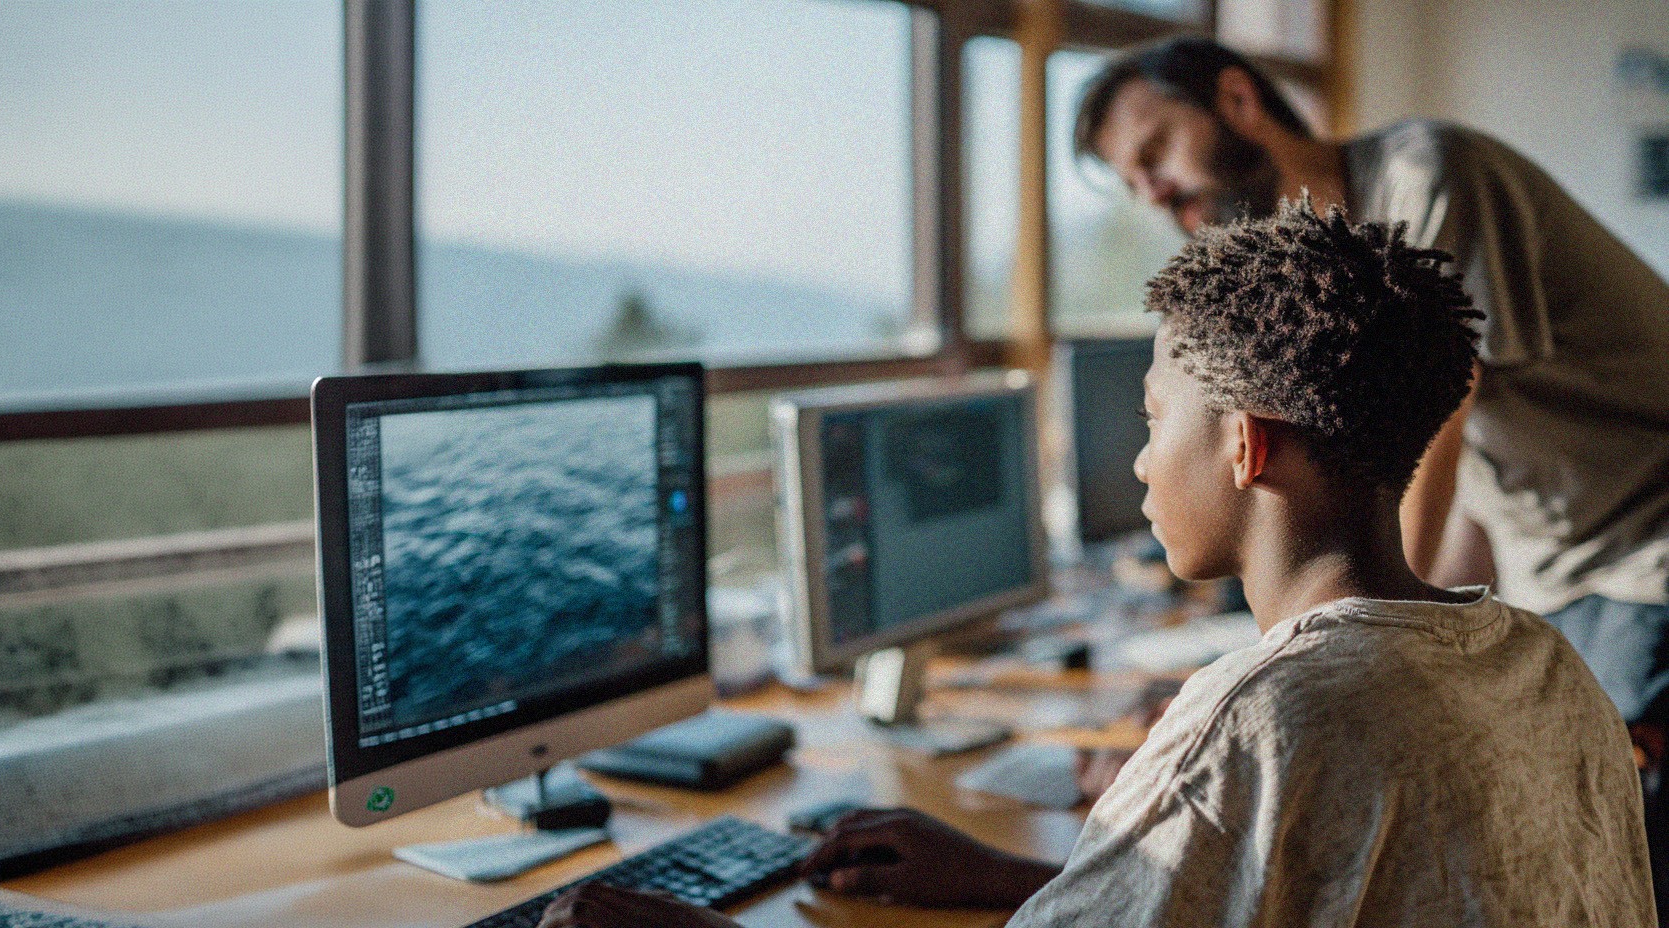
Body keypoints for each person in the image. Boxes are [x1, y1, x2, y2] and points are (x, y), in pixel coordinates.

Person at [537, 203, 1654, 927]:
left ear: (1241, 444)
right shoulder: (1541, 660)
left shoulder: (1260, 715)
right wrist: (1011, 879)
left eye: (1150, 415)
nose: (1134, 458)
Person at [1074, 35, 1669, 907]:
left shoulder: (1426, 175)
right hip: (1556, 550)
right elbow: (1434, 489)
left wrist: (1300, 668)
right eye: (1131, 182)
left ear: (1238, 101)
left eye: (1154, 151)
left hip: (1648, 537)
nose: (1152, 192)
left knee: (1588, 842)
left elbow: (1414, 455)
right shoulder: (1327, 263)